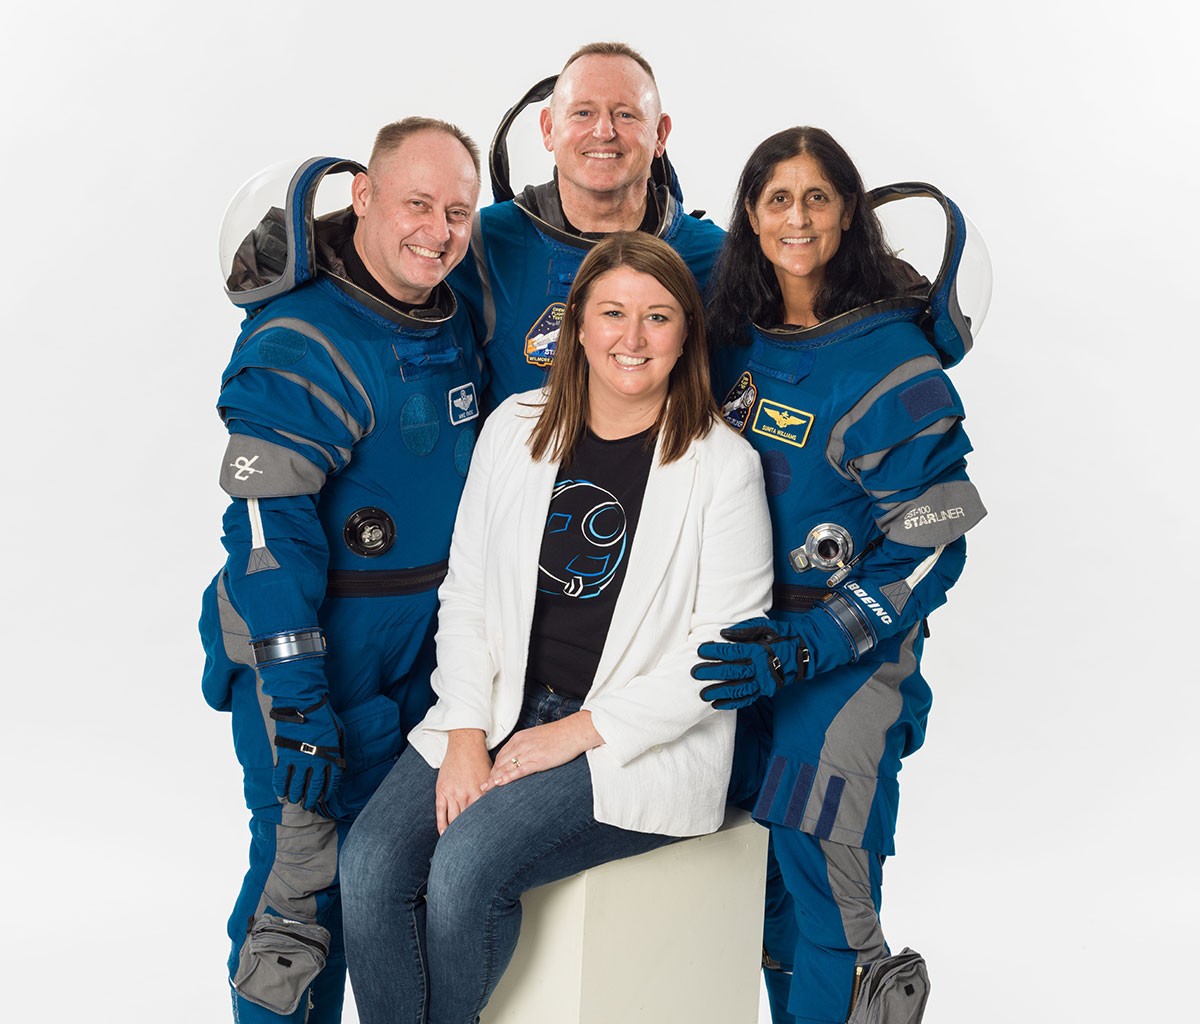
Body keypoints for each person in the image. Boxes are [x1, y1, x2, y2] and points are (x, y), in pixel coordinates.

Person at [338, 232, 774, 1024]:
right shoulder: (515, 427)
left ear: (686, 334)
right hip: (498, 705)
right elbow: (466, 591)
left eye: (658, 317)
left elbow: (721, 656)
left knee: (466, 869)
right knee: (369, 865)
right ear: (577, 325)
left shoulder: (722, 465)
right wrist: (468, 728)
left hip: (628, 742)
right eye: (612, 313)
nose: (632, 339)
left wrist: (578, 730)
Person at [693, 126, 988, 1024]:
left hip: (847, 659)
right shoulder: (735, 337)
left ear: (849, 212)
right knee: (762, 893)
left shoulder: (888, 360)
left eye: (817, 196)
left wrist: (820, 641)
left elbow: (938, 535)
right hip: (750, 647)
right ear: (750, 213)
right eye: (777, 197)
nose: (797, 216)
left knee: (826, 879)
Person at [197, 117, 483, 1024]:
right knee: (301, 892)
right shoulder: (302, 343)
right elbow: (265, 540)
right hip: (315, 657)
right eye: (416, 204)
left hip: (413, 662)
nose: (436, 230)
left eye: (458, 211)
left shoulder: (450, 314)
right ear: (361, 195)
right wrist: (298, 700)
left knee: (386, 889)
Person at [448, 41, 726, 413]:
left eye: (626, 115)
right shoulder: (481, 244)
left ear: (660, 135)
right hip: (522, 464)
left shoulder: (717, 257)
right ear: (548, 129)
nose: (604, 131)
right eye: (582, 113)